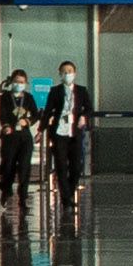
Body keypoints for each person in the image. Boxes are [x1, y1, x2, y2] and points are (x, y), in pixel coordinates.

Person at [42, 58, 95, 207]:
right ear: (60, 74)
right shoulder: (55, 91)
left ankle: (69, 192)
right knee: (60, 165)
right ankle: (66, 199)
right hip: (59, 132)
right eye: (64, 72)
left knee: (76, 167)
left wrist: (84, 117)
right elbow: (47, 111)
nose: (67, 74)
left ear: (75, 73)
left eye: (70, 72)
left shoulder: (81, 90)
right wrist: (41, 129)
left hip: (75, 132)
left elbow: (89, 109)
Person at [0, 69, 40, 198]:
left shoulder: (28, 97)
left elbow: (36, 115)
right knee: (8, 163)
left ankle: (23, 195)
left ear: (25, 83)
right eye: (16, 81)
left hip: (24, 136)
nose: (18, 84)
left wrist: (27, 121)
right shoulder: (5, 97)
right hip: (10, 135)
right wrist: (6, 126)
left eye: (21, 82)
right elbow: (2, 114)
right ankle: (6, 187)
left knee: (24, 165)